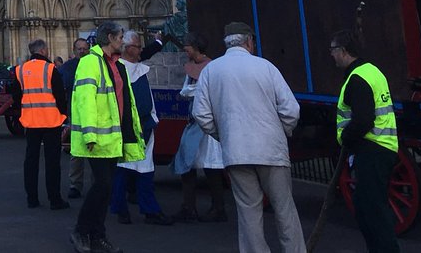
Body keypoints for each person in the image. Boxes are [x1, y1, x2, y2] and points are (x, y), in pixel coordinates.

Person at [193, 21, 304, 253]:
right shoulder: (266, 67)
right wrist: (282, 131)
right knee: (284, 210)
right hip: (271, 150)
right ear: (249, 41)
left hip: (236, 152)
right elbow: (291, 110)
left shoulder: (211, 71)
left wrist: (223, 135)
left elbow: (201, 115)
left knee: (248, 213)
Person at [70, 21, 145, 253]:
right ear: (110, 38)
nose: (122, 41)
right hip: (97, 137)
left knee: (107, 187)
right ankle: (81, 231)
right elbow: (85, 101)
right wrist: (90, 133)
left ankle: (97, 235)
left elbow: (124, 102)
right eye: (120, 37)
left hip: (114, 136)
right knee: (102, 184)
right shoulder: (89, 63)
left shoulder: (117, 65)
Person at [330, 29, 399, 253]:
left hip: (371, 150)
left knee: (372, 212)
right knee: (369, 208)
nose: (331, 55)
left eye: (333, 50)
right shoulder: (371, 71)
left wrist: (346, 138)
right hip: (381, 148)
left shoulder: (357, 79)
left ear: (343, 51)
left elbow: (363, 120)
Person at [111, 31, 174, 226]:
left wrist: (159, 40)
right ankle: (121, 209)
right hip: (127, 128)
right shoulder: (117, 70)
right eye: (138, 47)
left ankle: (150, 210)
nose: (141, 50)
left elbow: (148, 52)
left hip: (146, 125)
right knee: (123, 169)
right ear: (128, 49)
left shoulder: (136, 65)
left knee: (146, 170)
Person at [170, 31, 227, 222]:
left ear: (195, 47)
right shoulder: (192, 68)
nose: (185, 50)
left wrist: (192, 91)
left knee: (211, 168)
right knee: (187, 165)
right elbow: (186, 90)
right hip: (194, 123)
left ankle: (218, 208)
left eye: (187, 47)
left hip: (208, 125)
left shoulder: (211, 67)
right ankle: (189, 207)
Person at [14, 38, 69, 210]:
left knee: (31, 160)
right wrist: (63, 114)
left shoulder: (20, 70)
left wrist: (23, 112)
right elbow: (60, 95)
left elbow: (16, 97)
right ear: (44, 51)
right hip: (51, 120)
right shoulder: (50, 68)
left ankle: (32, 199)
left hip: (30, 121)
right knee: (52, 162)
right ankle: (54, 199)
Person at [59, 37, 92, 199]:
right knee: (77, 151)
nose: (82, 51)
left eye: (85, 48)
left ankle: (97, 185)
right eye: (79, 48)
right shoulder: (67, 67)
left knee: (96, 151)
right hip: (76, 114)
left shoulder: (95, 65)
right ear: (74, 50)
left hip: (94, 114)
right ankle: (75, 185)